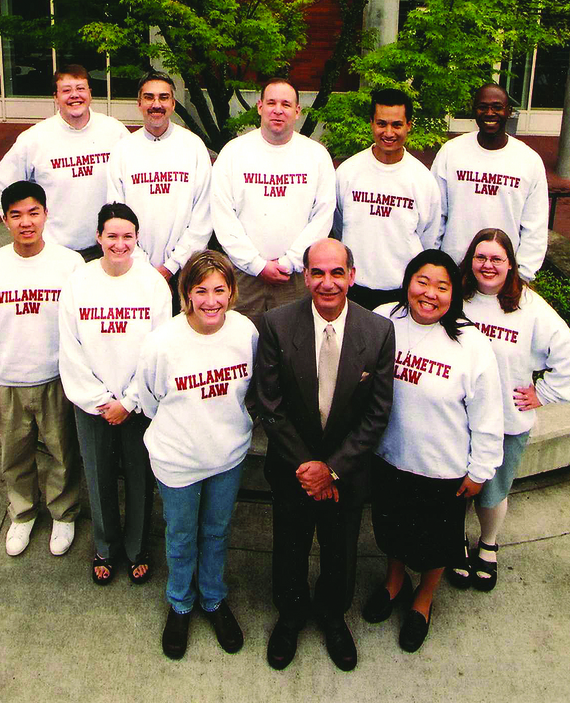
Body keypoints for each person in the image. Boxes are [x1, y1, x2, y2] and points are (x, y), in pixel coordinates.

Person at [256, 238, 394, 672]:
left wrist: (332, 470)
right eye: (318, 272)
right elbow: (269, 405)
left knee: (341, 549)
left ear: (353, 276)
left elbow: (377, 413)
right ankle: (291, 614)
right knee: (290, 545)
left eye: (337, 273)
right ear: (305, 275)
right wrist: (307, 468)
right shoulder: (276, 324)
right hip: (292, 468)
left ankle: (333, 616)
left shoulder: (378, 331)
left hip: (345, 473)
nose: (328, 282)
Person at [367, 249, 503, 652]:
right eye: (421, 281)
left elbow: (488, 414)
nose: (429, 294)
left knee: (435, 542)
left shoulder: (471, 343)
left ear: (454, 292)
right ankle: (394, 583)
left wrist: (480, 470)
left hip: (442, 467)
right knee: (390, 531)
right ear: (407, 282)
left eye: (441, 286)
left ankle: (423, 600)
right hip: (388, 457)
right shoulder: (383, 319)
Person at [134, 250, 258, 660]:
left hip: (227, 456)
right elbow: (151, 401)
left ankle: (213, 599)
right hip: (177, 462)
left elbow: (251, 391)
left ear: (232, 292)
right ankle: (181, 604)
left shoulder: (245, 333)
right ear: (185, 293)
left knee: (217, 533)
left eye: (219, 290)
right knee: (181, 536)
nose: (210, 300)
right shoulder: (162, 343)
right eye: (200, 290)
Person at [451, 227, 570, 591]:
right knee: (456, 487)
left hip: (507, 420)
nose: (488, 265)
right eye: (481, 257)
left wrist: (543, 393)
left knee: (492, 491)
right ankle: (456, 541)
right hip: (458, 417)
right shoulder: (458, 297)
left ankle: (488, 544)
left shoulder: (529, 306)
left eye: (497, 258)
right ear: (470, 260)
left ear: (510, 264)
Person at [0, 181, 83, 557]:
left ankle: (64, 514)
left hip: (56, 380)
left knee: (64, 453)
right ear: (5, 220)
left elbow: (82, 328)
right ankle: (23, 514)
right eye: (16, 215)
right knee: (14, 456)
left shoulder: (70, 264)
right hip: (8, 382)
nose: (26, 222)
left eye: (33, 212)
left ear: (47, 214)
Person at [58, 203, 173, 585]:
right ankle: (105, 547)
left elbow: (159, 350)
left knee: (140, 477)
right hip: (92, 402)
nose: (119, 244)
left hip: (137, 403)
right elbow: (70, 348)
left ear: (137, 238)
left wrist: (129, 401)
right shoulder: (79, 282)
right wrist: (98, 400)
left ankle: (138, 547)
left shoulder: (153, 284)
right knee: (98, 475)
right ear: (98, 238)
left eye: (127, 236)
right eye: (112, 236)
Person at [211, 78, 336, 328]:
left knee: (293, 351)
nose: (278, 110)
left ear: (297, 111)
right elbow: (223, 216)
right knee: (241, 349)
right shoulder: (234, 153)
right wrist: (256, 264)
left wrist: (291, 261)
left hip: (297, 277)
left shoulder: (316, 156)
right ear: (259, 107)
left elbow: (322, 217)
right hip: (243, 276)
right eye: (271, 103)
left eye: (286, 104)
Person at [0, 65, 130, 254]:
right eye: (66, 90)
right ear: (55, 97)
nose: (75, 95)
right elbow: (1, 182)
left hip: (106, 248)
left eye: (80, 88)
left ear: (90, 93)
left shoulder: (114, 131)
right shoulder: (34, 139)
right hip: (55, 250)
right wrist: (21, 225)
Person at [334, 87, 441, 309]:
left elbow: (428, 239)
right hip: (353, 289)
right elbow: (338, 227)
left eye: (397, 125)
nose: (389, 132)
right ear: (371, 123)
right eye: (382, 123)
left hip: (401, 290)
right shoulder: (347, 172)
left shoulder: (422, 180)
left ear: (409, 125)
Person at [106, 71, 212, 293]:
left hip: (185, 270)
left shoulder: (193, 147)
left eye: (163, 98)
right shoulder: (123, 150)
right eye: (149, 97)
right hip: (134, 268)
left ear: (173, 104)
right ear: (139, 103)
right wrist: (144, 266)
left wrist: (171, 267)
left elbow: (203, 216)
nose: (156, 104)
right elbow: (117, 215)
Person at [431, 83, 549, 281]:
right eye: (483, 107)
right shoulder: (451, 152)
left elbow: (535, 226)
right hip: (453, 270)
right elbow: (435, 215)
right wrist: (435, 263)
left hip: (502, 275)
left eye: (497, 107)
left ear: (509, 111)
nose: (489, 113)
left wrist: (522, 276)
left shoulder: (529, 160)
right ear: (473, 109)